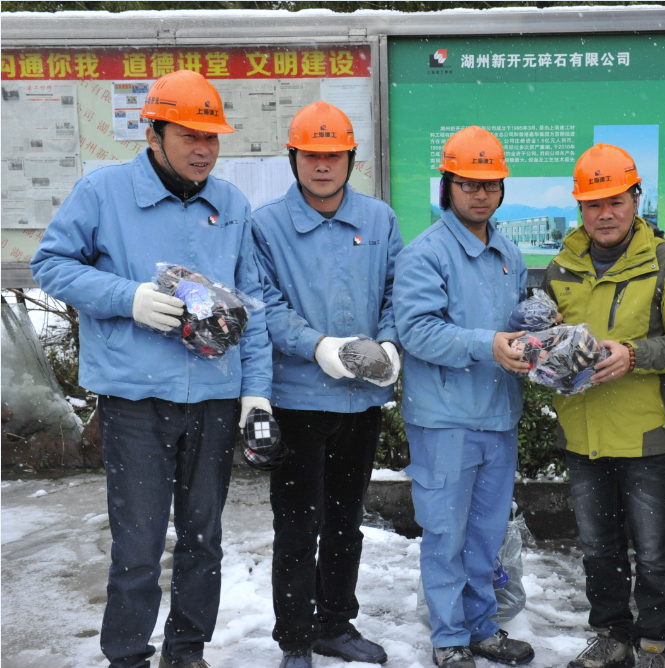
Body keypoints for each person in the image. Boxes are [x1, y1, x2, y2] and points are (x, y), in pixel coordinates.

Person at [30, 70, 272, 668]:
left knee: (204, 540)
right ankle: (128, 657)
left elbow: (254, 305)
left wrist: (256, 393)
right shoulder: (103, 192)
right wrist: (127, 297)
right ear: (154, 134)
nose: (203, 150)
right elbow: (51, 265)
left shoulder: (232, 204)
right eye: (190, 136)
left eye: (212, 138)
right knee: (138, 544)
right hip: (135, 400)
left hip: (214, 398)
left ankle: (187, 652)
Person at [540, 144, 665, 668]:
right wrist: (544, 351)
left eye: (616, 201)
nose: (605, 214)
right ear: (580, 208)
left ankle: (655, 640)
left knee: (654, 551)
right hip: (583, 432)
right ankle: (612, 635)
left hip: (646, 433)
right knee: (598, 549)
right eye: (593, 204)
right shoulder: (561, 268)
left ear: (636, 199)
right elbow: (544, 338)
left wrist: (634, 355)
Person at [251, 101, 403, 668]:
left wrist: (389, 344)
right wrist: (318, 346)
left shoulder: (378, 220)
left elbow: (397, 291)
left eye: (333, 155)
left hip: (361, 403)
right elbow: (264, 304)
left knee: (345, 522)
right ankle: (295, 637)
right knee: (297, 526)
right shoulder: (266, 225)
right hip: (297, 401)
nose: (322, 165)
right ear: (293, 158)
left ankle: (335, 624)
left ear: (351, 159)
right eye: (311, 155)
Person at [393, 126, 536, 668]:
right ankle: (449, 637)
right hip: (445, 419)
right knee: (445, 534)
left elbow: (514, 324)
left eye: (490, 184)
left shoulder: (508, 251)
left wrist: (541, 336)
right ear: (447, 187)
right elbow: (417, 331)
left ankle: (481, 627)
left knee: (486, 535)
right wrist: (487, 343)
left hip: (499, 416)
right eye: (469, 184)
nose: (481, 194)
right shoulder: (426, 253)